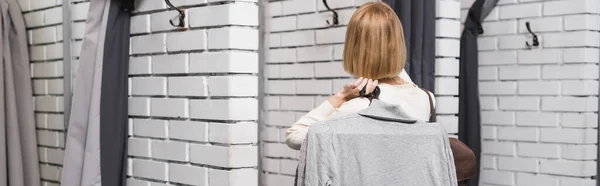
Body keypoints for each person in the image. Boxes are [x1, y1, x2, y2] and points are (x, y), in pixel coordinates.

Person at [285, 2, 435, 150]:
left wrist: (341, 97)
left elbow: (294, 136)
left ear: (354, 49)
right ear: (399, 44)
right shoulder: (426, 99)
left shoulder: (360, 107)